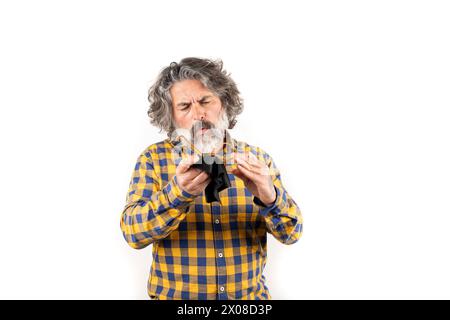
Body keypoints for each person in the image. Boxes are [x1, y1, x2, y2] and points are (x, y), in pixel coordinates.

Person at [120, 57, 303, 300]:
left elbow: (291, 233)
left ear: (224, 103)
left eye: (205, 100)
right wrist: (177, 195)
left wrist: (270, 198)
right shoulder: (154, 159)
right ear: (171, 117)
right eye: (184, 106)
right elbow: (133, 233)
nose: (199, 114)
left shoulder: (258, 160)